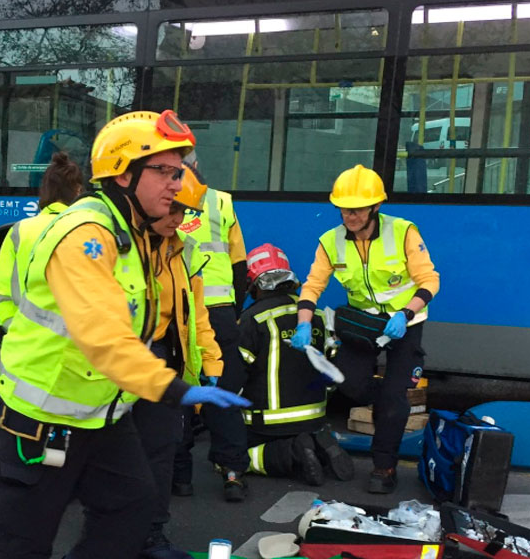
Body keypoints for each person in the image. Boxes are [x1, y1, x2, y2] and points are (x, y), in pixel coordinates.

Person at [0, 109, 249, 559]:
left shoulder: (140, 235)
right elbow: (103, 336)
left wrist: (202, 361)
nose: (177, 185)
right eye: (166, 172)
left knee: (133, 505)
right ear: (124, 175)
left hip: (102, 410)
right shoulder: (87, 235)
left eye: (179, 172)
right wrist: (173, 387)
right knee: (25, 534)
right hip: (45, 413)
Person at [289, 165, 440, 494]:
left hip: (404, 324)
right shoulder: (330, 241)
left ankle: (384, 467)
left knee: (394, 401)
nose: (349, 215)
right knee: (350, 385)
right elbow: (312, 286)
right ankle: (389, 397)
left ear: (375, 207)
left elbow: (430, 280)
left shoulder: (403, 232)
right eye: (344, 209)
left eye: (356, 209)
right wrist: (303, 323)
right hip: (363, 324)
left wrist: (405, 313)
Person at [136, 163, 227, 548]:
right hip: (122, 363)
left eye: (184, 212)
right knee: (121, 456)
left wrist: (211, 361)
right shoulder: (122, 246)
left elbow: (196, 314)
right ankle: (119, 533)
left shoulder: (183, 250)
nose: (178, 219)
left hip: (162, 359)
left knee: (160, 450)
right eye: (172, 209)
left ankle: (151, 532)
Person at [237, 243, 354, 485]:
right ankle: (319, 444)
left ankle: (293, 452)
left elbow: (236, 376)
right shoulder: (316, 316)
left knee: (230, 458)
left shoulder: (252, 319)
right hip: (315, 418)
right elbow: (333, 374)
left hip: (266, 425)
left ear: (253, 283)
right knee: (306, 433)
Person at [171, 156, 251, 500]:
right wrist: (233, 312)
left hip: (178, 310)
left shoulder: (159, 199)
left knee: (177, 389)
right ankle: (232, 472)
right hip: (218, 311)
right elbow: (239, 264)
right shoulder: (221, 202)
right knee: (223, 391)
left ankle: (180, 476)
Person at [0, 151, 82, 331]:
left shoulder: (20, 230)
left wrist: (16, 330)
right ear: (78, 190)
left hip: (24, 339)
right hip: (72, 341)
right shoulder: (86, 229)